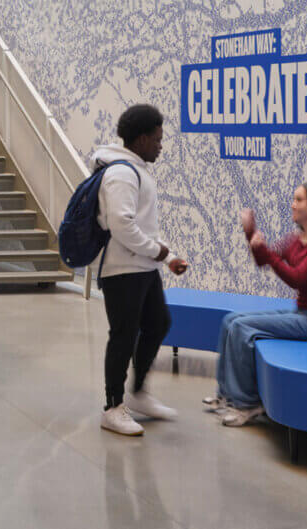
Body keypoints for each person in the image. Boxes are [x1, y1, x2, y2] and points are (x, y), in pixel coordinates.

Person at [206, 183, 307, 426]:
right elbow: (265, 259)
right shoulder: (297, 238)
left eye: (299, 200)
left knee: (242, 328)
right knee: (230, 321)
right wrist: (251, 234)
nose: (293, 204)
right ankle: (226, 395)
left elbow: (297, 278)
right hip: (304, 313)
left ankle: (247, 404)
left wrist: (265, 252)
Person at [92, 104, 189, 437]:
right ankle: (113, 406)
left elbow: (142, 224)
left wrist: (167, 256)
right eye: (158, 139)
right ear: (143, 138)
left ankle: (138, 393)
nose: (161, 145)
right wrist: (159, 251)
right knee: (123, 335)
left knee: (158, 323)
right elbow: (121, 224)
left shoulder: (136, 169)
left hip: (142, 266)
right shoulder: (121, 173)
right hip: (122, 269)